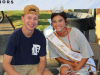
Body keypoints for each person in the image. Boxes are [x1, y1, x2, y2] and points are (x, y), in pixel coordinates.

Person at [2, 5, 53, 75]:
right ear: (22, 18)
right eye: (29, 18)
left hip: (35, 66)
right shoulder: (14, 37)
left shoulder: (40, 36)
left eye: (35, 18)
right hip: (16, 67)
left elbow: (43, 60)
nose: (32, 21)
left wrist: (39, 72)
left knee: (47, 73)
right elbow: (5, 63)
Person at [47, 6, 97, 75]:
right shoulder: (52, 38)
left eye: (60, 21)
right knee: (64, 71)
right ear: (52, 23)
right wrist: (72, 64)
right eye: (54, 21)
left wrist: (76, 69)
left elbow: (86, 55)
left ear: (66, 21)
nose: (57, 24)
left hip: (84, 63)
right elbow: (57, 57)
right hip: (69, 63)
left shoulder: (76, 33)